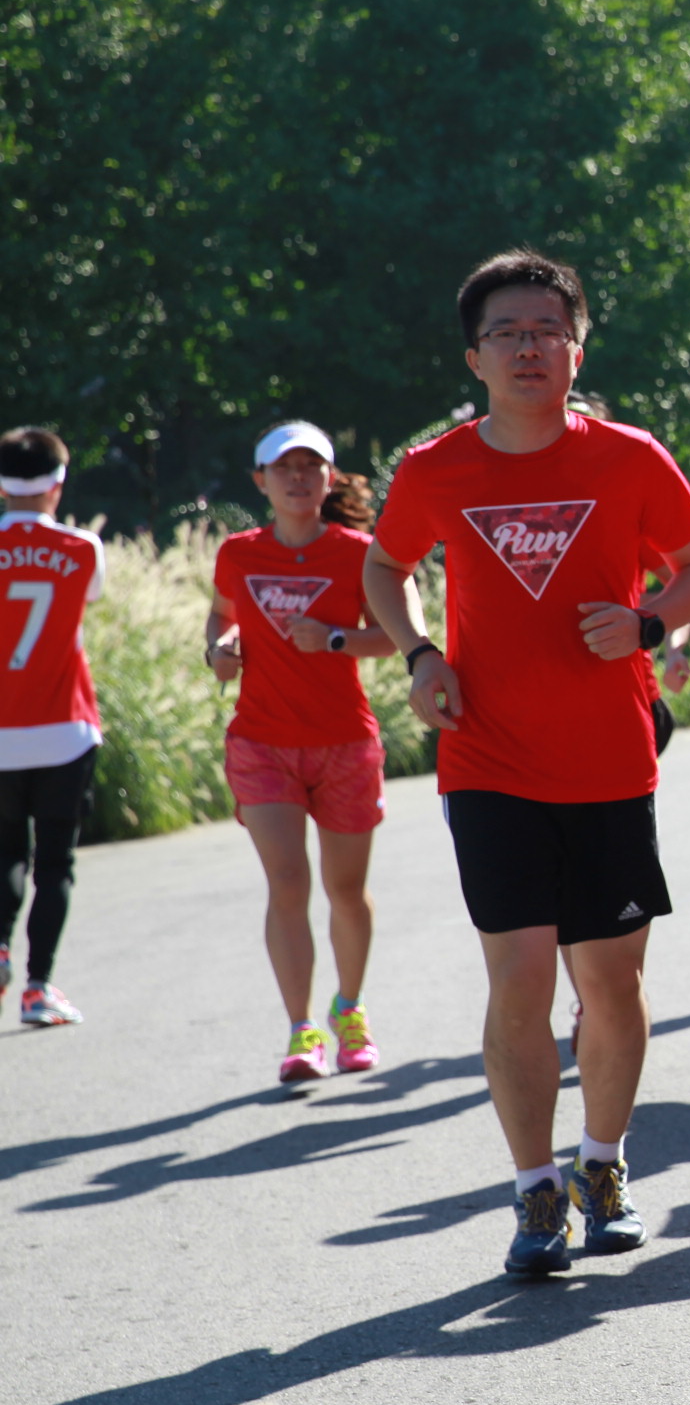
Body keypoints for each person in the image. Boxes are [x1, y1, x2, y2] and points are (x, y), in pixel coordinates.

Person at [365, 250, 690, 1278]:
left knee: (610, 982)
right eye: (508, 333)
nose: (529, 348)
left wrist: (647, 622)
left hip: (610, 758)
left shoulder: (630, 459)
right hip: (488, 756)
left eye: (547, 331)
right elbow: (385, 565)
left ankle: (601, 1164)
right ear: (475, 357)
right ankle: (534, 1188)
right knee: (520, 975)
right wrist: (420, 652)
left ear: (578, 349)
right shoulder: (435, 469)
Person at [204, 422, 400, 1086]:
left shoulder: (358, 552)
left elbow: (393, 637)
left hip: (344, 743)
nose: (297, 478)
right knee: (288, 883)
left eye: (310, 466)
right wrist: (220, 647)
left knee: (345, 890)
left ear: (329, 478)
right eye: (284, 467)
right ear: (260, 480)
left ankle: (351, 1009)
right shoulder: (238, 553)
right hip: (262, 743)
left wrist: (336, 639)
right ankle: (302, 1029)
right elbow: (222, 614)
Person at [0, 427, 101, 1027]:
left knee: (5, 853)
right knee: (55, 863)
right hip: (65, 729)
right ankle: (39, 987)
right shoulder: (83, 548)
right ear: (58, 484)